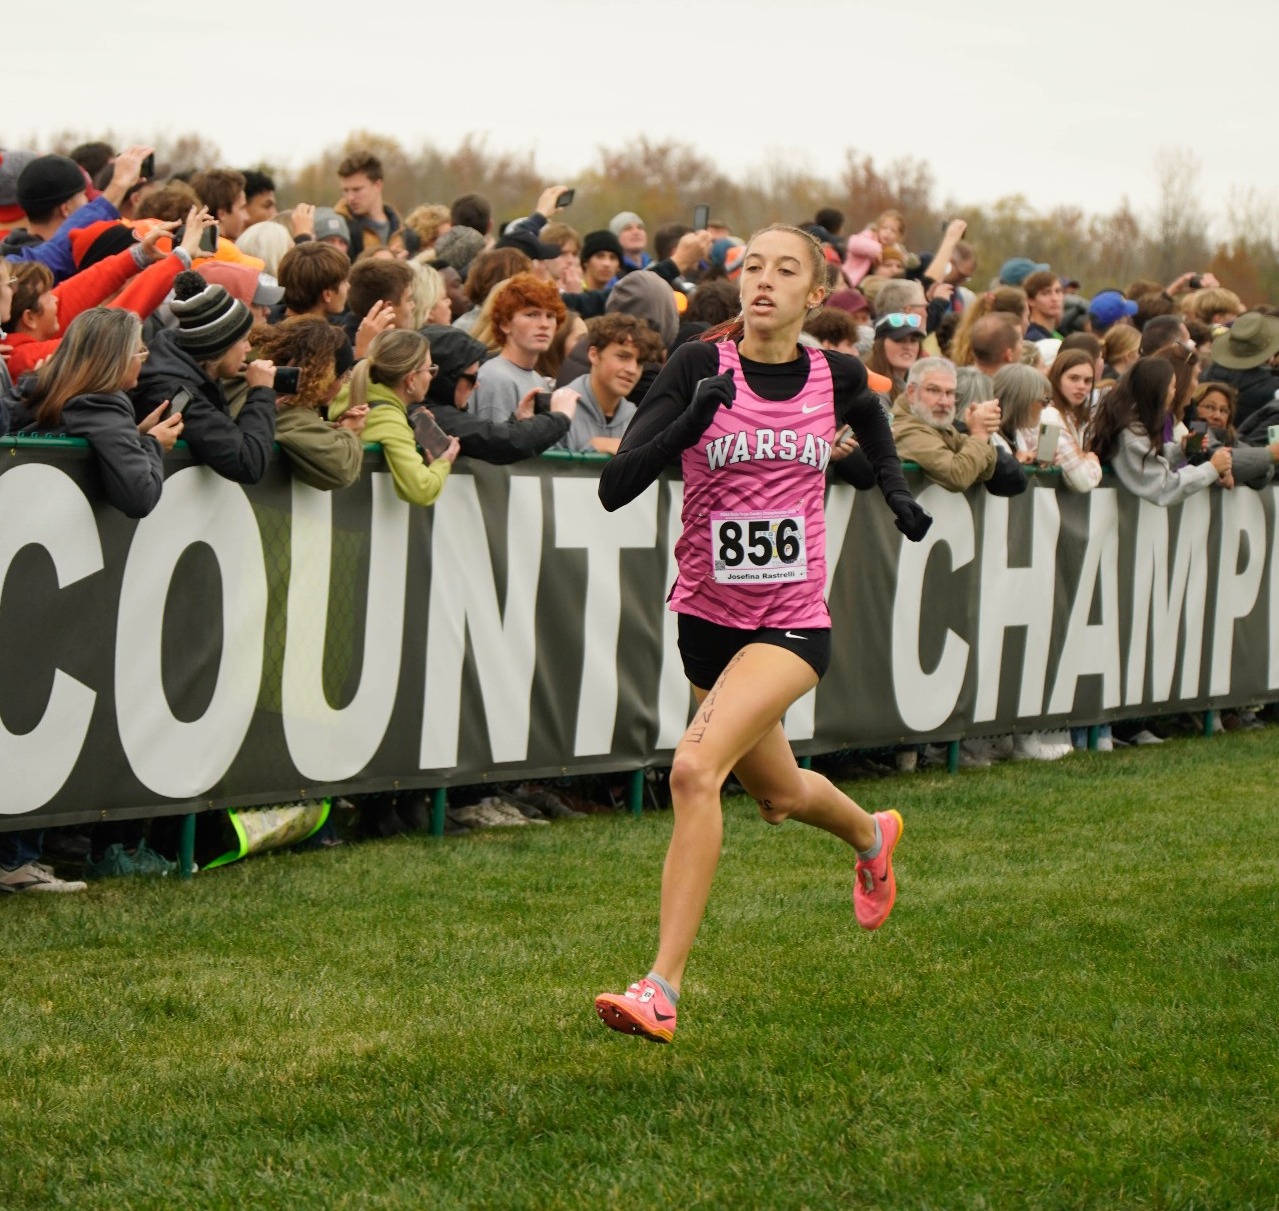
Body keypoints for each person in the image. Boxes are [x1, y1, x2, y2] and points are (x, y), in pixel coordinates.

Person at [592, 224, 932, 1044]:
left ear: (815, 294)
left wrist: (891, 491)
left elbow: (871, 418)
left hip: (790, 623)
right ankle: (868, 832)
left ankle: (661, 987)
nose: (764, 281)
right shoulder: (697, 367)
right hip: (706, 620)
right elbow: (614, 485)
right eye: (752, 267)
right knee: (776, 794)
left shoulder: (836, 373)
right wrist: (688, 423)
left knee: (693, 771)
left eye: (786, 270)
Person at [130, 270, 278, 483]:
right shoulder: (174, 391)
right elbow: (247, 463)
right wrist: (261, 395)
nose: (248, 348)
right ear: (219, 348)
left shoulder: (189, 372)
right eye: (243, 340)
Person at [328, 328, 460, 506]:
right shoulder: (390, 420)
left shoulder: (349, 394)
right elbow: (421, 489)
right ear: (411, 379)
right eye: (430, 369)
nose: (431, 376)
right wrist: (444, 462)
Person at [419, 323, 577, 462]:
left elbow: (487, 438)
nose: (476, 385)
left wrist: (518, 421)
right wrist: (559, 417)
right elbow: (498, 442)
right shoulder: (426, 415)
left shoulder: (430, 413)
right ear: (445, 377)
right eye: (471, 377)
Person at [1086, 357, 1232, 504]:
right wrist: (1211, 468)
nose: (1175, 392)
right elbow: (1163, 486)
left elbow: (1148, 460)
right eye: (1172, 386)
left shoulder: (1133, 424)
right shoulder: (1131, 434)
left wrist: (1179, 450)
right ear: (1159, 390)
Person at [253, 316, 365, 490]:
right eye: (343, 376)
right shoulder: (285, 409)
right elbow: (341, 469)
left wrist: (330, 429)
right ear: (323, 378)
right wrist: (349, 431)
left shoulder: (254, 387)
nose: (344, 383)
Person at [471, 273, 576, 423]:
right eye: (532, 315)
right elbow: (496, 442)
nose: (544, 324)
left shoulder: (538, 380)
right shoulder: (495, 377)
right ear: (505, 324)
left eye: (550, 316)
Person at [557, 314, 663, 453]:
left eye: (640, 362)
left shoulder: (635, 419)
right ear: (594, 355)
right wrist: (593, 448)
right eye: (623, 357)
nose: (632, 370)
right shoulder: (559, 408)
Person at [335, 150, 402, 260]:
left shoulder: (404, 231)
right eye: (345, 190)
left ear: (377, 185)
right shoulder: (338, 231)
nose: (350, 197)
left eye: (357, 189)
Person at [865, 312, 924, 396]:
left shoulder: (920, 384)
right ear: (879, 345)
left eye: (913, 340)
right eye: (899, 340)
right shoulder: (870, 389)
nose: (908, 346)